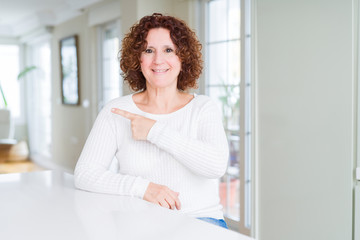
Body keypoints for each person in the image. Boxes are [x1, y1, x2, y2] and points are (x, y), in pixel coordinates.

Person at [74, 13, 229, 229]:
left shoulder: (203, 107)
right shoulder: (116, 111)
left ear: (182, 58)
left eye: (168, 50)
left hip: (201, 221)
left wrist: (155, 131)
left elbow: (216, 166)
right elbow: (85, 175)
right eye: (148, 50)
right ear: (138, 59)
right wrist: (144, 188)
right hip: (141, 224)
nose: (158, 60)